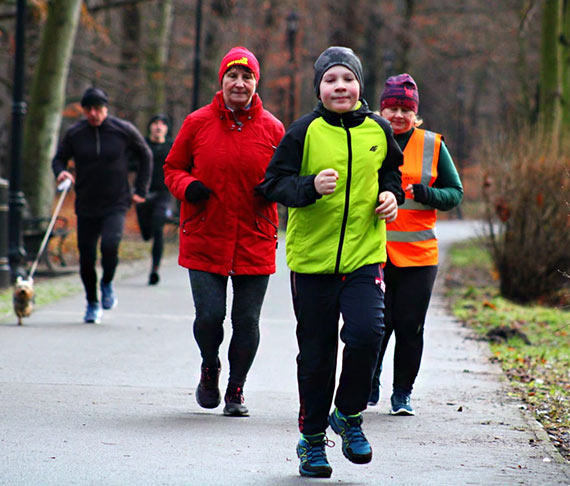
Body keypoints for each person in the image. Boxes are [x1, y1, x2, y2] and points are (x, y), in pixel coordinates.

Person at [257, 46, 405, 478]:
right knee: (317, 357)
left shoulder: (378, 129)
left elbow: (392, 173)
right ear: (319, 87)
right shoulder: (303, 132)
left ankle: (350, 415)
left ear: (360, 85)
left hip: (364, 256)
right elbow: (272, 185)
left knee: (368, 334)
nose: (340, 86)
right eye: (331, 80)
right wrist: (308, 187)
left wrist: (391, 196)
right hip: (313, 262)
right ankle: (312, 441)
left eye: (348, 79)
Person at [163, 47, 285, 417]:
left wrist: (275, 188)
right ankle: (209, 364)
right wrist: (189, 187)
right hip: (205, 233)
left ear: (255, 84)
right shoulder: (197, 122)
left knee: (246, 320)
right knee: (210, 316)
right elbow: (172, 168)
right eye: (232, 75)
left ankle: (236, 388)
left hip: (255, 236)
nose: (239, 83)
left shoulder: (273, 129)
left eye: (247, 77)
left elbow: (288, 177)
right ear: (222, 80)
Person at [368, 73, 463, 415]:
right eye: (392, 107)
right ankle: (370, 381)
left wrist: (428, 194)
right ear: (381, 109)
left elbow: (455, 194)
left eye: (405, 109)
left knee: (410, 326)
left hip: (419, 256)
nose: (398, 115)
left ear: (415, 113)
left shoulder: (432, 145)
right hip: (373, 251)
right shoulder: (368, 138)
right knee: (377, 324)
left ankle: (402, 393)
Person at [52, 87, 152, 324]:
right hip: (86, 202)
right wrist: (62, 172)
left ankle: (107, 282)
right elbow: (58, 159)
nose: (94, 114)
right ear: (84, 110)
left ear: (106, 108)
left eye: (98, 109)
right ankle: (92, 302)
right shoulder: (75, 133)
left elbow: (146, 154)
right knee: (86, 257)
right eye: (89, 110)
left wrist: (141, 190)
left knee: (109, 245)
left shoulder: (123, 130)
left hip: (117, 201)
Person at [134, 114, 174, 285]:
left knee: (158, 226)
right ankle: (147, 232)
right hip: (143, 193)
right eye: (155, 123)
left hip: (163, 193)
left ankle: (154, 269)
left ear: (166, 128)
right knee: (146, 233)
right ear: (150, 126)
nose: (158, 127)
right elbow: (127, 164)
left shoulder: (171, 147)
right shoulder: (141, 145)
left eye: (162, 124)